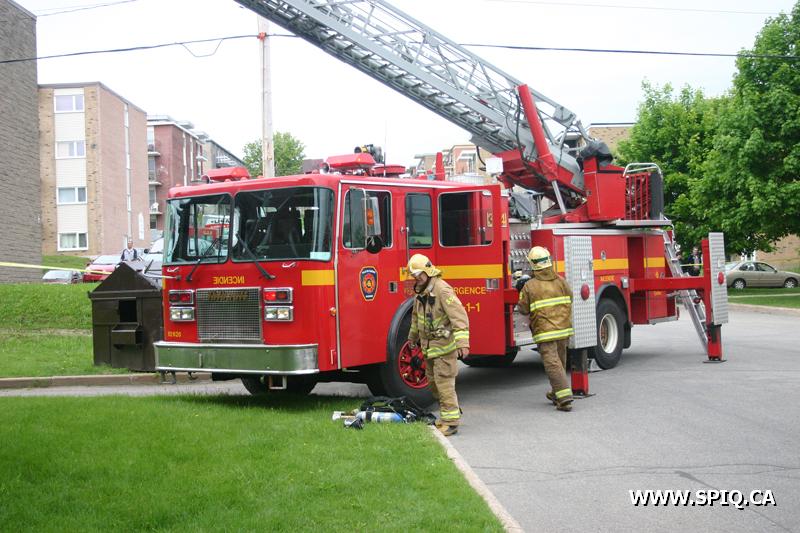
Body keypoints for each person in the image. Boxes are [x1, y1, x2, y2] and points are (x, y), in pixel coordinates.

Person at [406, 253, 469, 436]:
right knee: (434, 384)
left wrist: (463, 343)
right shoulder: (421, 292)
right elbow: (416, 318)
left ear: (427, 272)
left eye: (418, 275)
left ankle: (451, 423)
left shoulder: (443, 290)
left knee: (444, 384)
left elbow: (459, 317)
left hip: (444, 348)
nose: (416, 279)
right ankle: (447, 415)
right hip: (429, 348)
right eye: (414, 276)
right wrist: (412, 337)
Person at [517, 246, 575, 412]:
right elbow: (570, 298)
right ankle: (556, 393)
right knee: (560, 362)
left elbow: (523, 309)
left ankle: (564, 397)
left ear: (533, 264)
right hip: (563, 330)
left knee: (552, 364)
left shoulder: (530, 286)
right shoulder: (561, 281)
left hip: (545, 331)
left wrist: (520, 291)